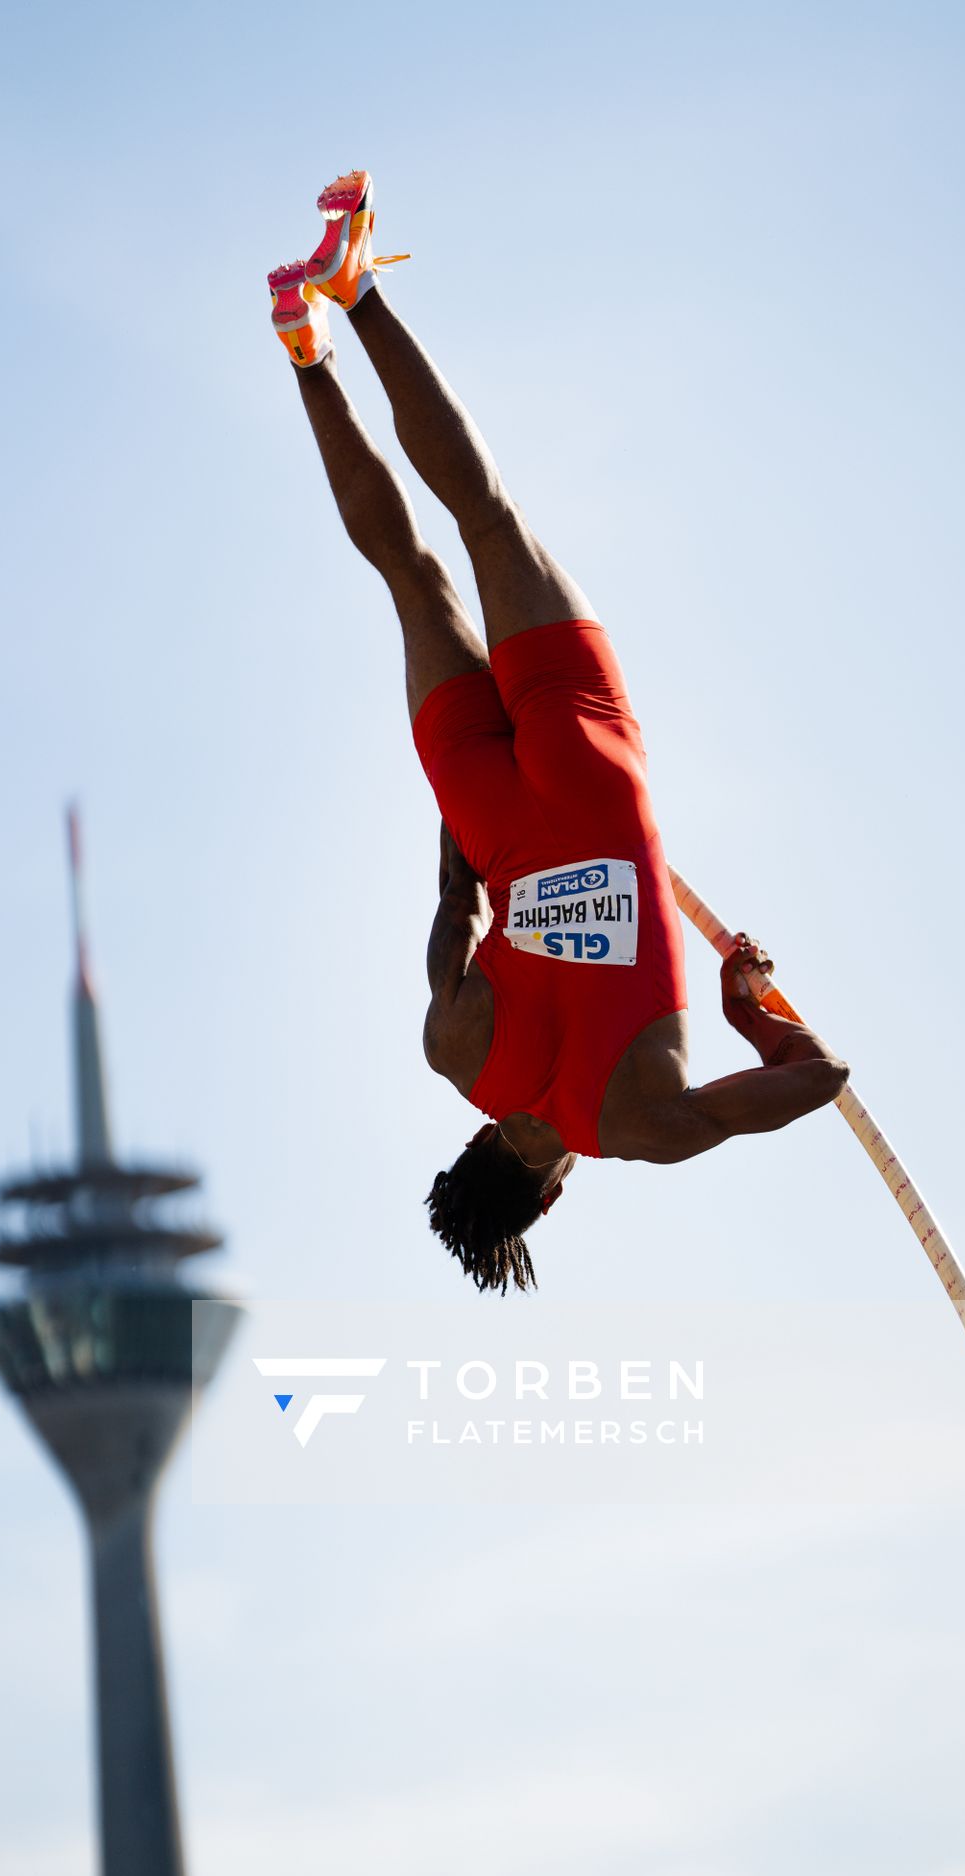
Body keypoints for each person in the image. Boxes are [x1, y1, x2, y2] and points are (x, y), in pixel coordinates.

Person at [268, 171, 849, 1294]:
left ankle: (354, 293)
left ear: (542, 1190)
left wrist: (749, 1007)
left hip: (588, 784)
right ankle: (314, 338)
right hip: (484, 807)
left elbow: (820, 1077)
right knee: (422, 565)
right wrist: (467, 820)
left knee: (486, 527)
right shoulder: (455, 1056)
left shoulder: (640, 1124)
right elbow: (454, 914)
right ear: (475, 1147)